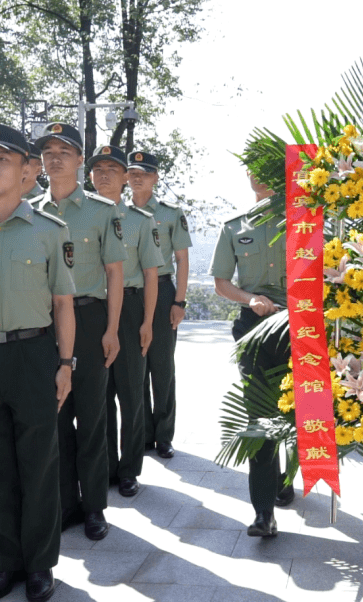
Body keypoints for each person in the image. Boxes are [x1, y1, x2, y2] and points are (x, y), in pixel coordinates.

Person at [0, 123, 76, 602]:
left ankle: (40, 566)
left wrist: (67, 363)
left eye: (3, 159)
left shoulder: (51, 231)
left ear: (27, 170)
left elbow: (64, 304)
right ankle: (5, 565)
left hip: (33, 354)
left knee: (38, 464)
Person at [32, 122, 125, 541]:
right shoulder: (29, 211)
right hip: (43, 323)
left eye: (63, 152)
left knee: (90, 415)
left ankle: (94, 508)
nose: (54, 158)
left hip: (89, 319)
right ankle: (65, 503)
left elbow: (115, 274)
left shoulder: (102, 211)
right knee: (53, 416)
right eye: (48, 151)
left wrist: (112, 330)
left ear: (79, 161)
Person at [210, 172, 294, 538]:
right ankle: (264, 513)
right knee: (260, 414)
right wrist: (250, 299)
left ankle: (285, 477)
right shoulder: (234, 226)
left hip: (299, 328)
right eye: (252, 168)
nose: (260, 174)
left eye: (267, 165)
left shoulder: (304, 220)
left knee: (298, 410)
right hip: (255, 328)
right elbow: (222, 282)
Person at [87, 144, 162, 498]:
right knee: (97, 395)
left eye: (112, 170)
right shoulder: (77, 216)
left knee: (131, 391)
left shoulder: (140, 221)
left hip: (131, 310)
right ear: (89, 176)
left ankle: (129, 468)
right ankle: (104, 467)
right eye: (97, 170)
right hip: (90, 309)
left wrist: (148, 322)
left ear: (124, 178)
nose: (104, 176)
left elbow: (151, 275)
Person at [127, 151, 190, 459]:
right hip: (130, 294)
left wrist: (180, 300)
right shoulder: (117, 212)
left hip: (164, 292)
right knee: (134, 366)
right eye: (133, 172)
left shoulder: (169, 213)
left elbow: (181, 259)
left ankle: (164, 434)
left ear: (155, 178)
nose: (137, 177)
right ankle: (142, 434)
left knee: (162, 366)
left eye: (145, 173)